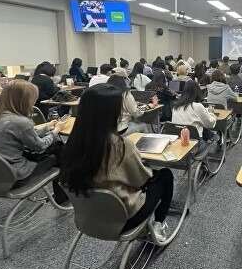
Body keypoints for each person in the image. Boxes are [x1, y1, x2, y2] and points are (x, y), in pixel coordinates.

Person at [61, 84, 173, 241]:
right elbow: (141, 180)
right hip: (123, 218)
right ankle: (158, 224)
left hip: (88, 217)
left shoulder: (72, 143)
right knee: (165, 176)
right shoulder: (121, 145)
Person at [0, 80, 68, 204]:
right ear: (24, 100)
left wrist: (46, 128)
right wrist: (56, 131)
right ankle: (63, 196)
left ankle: (63, 192)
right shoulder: (20, 122)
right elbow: (40, 146)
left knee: (56, 147)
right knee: (60, 151)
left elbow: (23, 137)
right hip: (16, 176)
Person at [172, 81, 217, 153]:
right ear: (197, 92)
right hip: (194, 144)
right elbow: (209, 124)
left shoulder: (175, 106)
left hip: (178, 141)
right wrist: (211, 114)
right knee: (211, 136)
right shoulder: (198, 106)